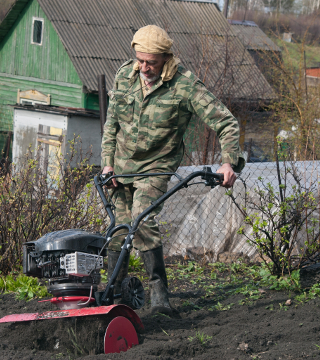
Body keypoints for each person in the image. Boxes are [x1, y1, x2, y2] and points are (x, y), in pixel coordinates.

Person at [101, 25, 245, 314]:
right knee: (118, 230)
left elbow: (225, 122)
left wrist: (228, 161)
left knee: (141, 223)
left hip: (155, 168)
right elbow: (112, 124)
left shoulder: (184, 85)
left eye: (150, 62)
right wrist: (107, 161)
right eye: (140, 60)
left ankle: (160, 300)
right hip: (119, 168)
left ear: (166, 58)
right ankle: (111, 295)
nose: (143, 67)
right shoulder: (124, 75)